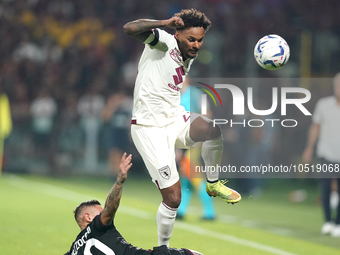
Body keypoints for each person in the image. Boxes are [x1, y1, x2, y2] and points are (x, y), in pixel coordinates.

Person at [123, 8, 241, 247]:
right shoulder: (163, 42)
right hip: (149, 127)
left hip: (173, 118)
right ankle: (162, 249)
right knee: (173, 198)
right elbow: (129, 28)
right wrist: (164, 22)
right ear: (177, 34)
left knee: (211, 129)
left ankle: (213, 182)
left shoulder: (189, 53)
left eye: (200, 40)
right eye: (191, 39)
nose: (197, 45)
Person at [64, 153, 203, 255]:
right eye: (99, 212)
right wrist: (119, 181)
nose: (103, 215)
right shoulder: (96, 227)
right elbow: (110, 208)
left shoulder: (74, 250)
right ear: (88, 217)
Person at [302, 73, 340, 237]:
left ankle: (338, 222)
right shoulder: (324, 105)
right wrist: (309, 147)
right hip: (326, 152)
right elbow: (315, 127)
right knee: (325, 187)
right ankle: (327, 221)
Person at [176, 77, 216, 220]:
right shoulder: (175, 95)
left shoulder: (195, 94)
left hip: (195, 139)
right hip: (184, 140)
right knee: (187, 176)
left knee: (192, 173)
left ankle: (210, 211)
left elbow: (207, 114)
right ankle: (182, 210)